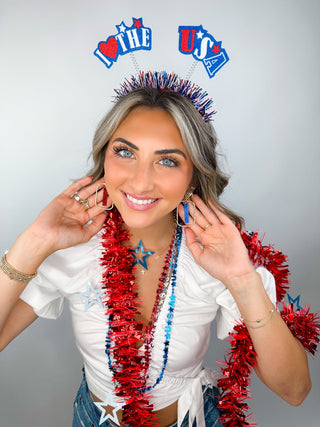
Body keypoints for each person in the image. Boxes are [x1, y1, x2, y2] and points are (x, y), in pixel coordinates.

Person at [0, 71, 312, 427]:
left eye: (167, 160)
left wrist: (242, 279)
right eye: (124, 152)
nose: (140, 181)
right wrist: (35, 242)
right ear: (104, 157)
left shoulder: (218, 257)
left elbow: (295, 390)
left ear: (194, 175)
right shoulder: (72, 249)